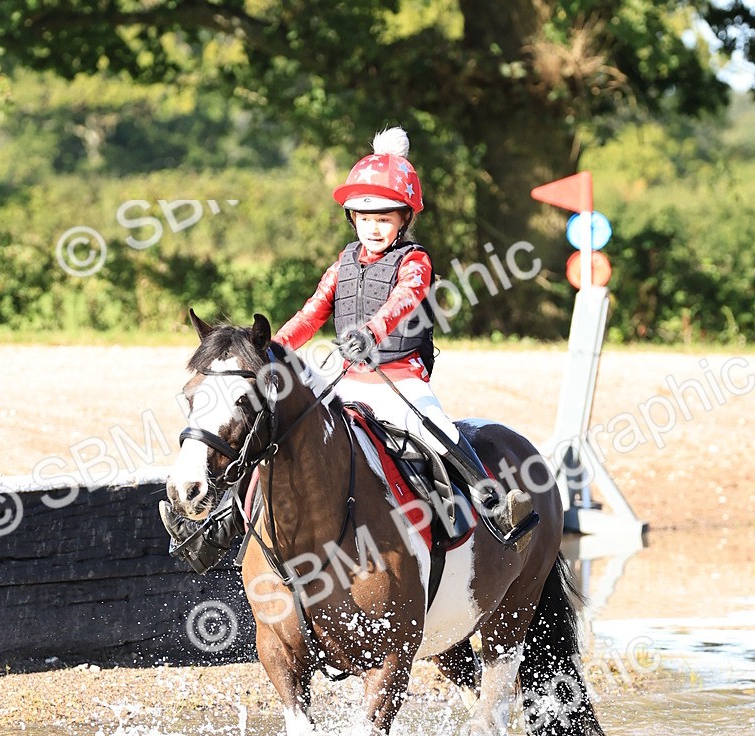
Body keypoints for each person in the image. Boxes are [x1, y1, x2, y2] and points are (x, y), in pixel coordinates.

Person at [161, 127, 535, 571]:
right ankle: (217, 533)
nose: (373, 227)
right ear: (351, 219)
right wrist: (266, 352)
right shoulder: (343, 262)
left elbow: (404, 302)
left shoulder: (415, 261)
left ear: (404, 219)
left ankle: (494, 506)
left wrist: (372, 333)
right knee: (275, 438)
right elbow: (311, 313)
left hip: (401, 379)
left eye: (384, 218)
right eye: (364, 217)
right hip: (345, 380)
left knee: (441, 432)